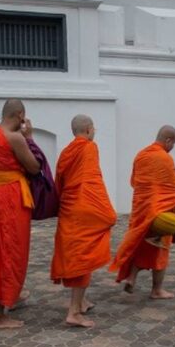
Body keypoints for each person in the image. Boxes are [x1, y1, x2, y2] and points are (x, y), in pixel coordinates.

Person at [0, 99, 40, 328]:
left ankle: (12, 295)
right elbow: (34, 167)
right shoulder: (14, 138)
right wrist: (29, 138)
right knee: (10, 251)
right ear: (20, 115)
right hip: (10, 197)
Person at [50, 114, 116, 328]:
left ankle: (82, 301)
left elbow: (59, 183)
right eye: (94, 128)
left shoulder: (66, 152)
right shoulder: (89, 147)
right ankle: (74, 312)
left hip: (70, 208)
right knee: (83, 257)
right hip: (86, 209)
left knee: (78, 255)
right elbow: (92, 181)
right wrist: (106, 211)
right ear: (88, 129)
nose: (94, 132)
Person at [110, 125, 175, 299]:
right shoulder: (165, 158)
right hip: (161, 212)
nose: (172, 148)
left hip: (142, 210)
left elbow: (134, 182)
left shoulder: (141, 155)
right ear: (168, 140)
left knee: (141, 244)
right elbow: (173, 188)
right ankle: (157, 290)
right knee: (160, 249)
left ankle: (131, 278)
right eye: (173, 144)